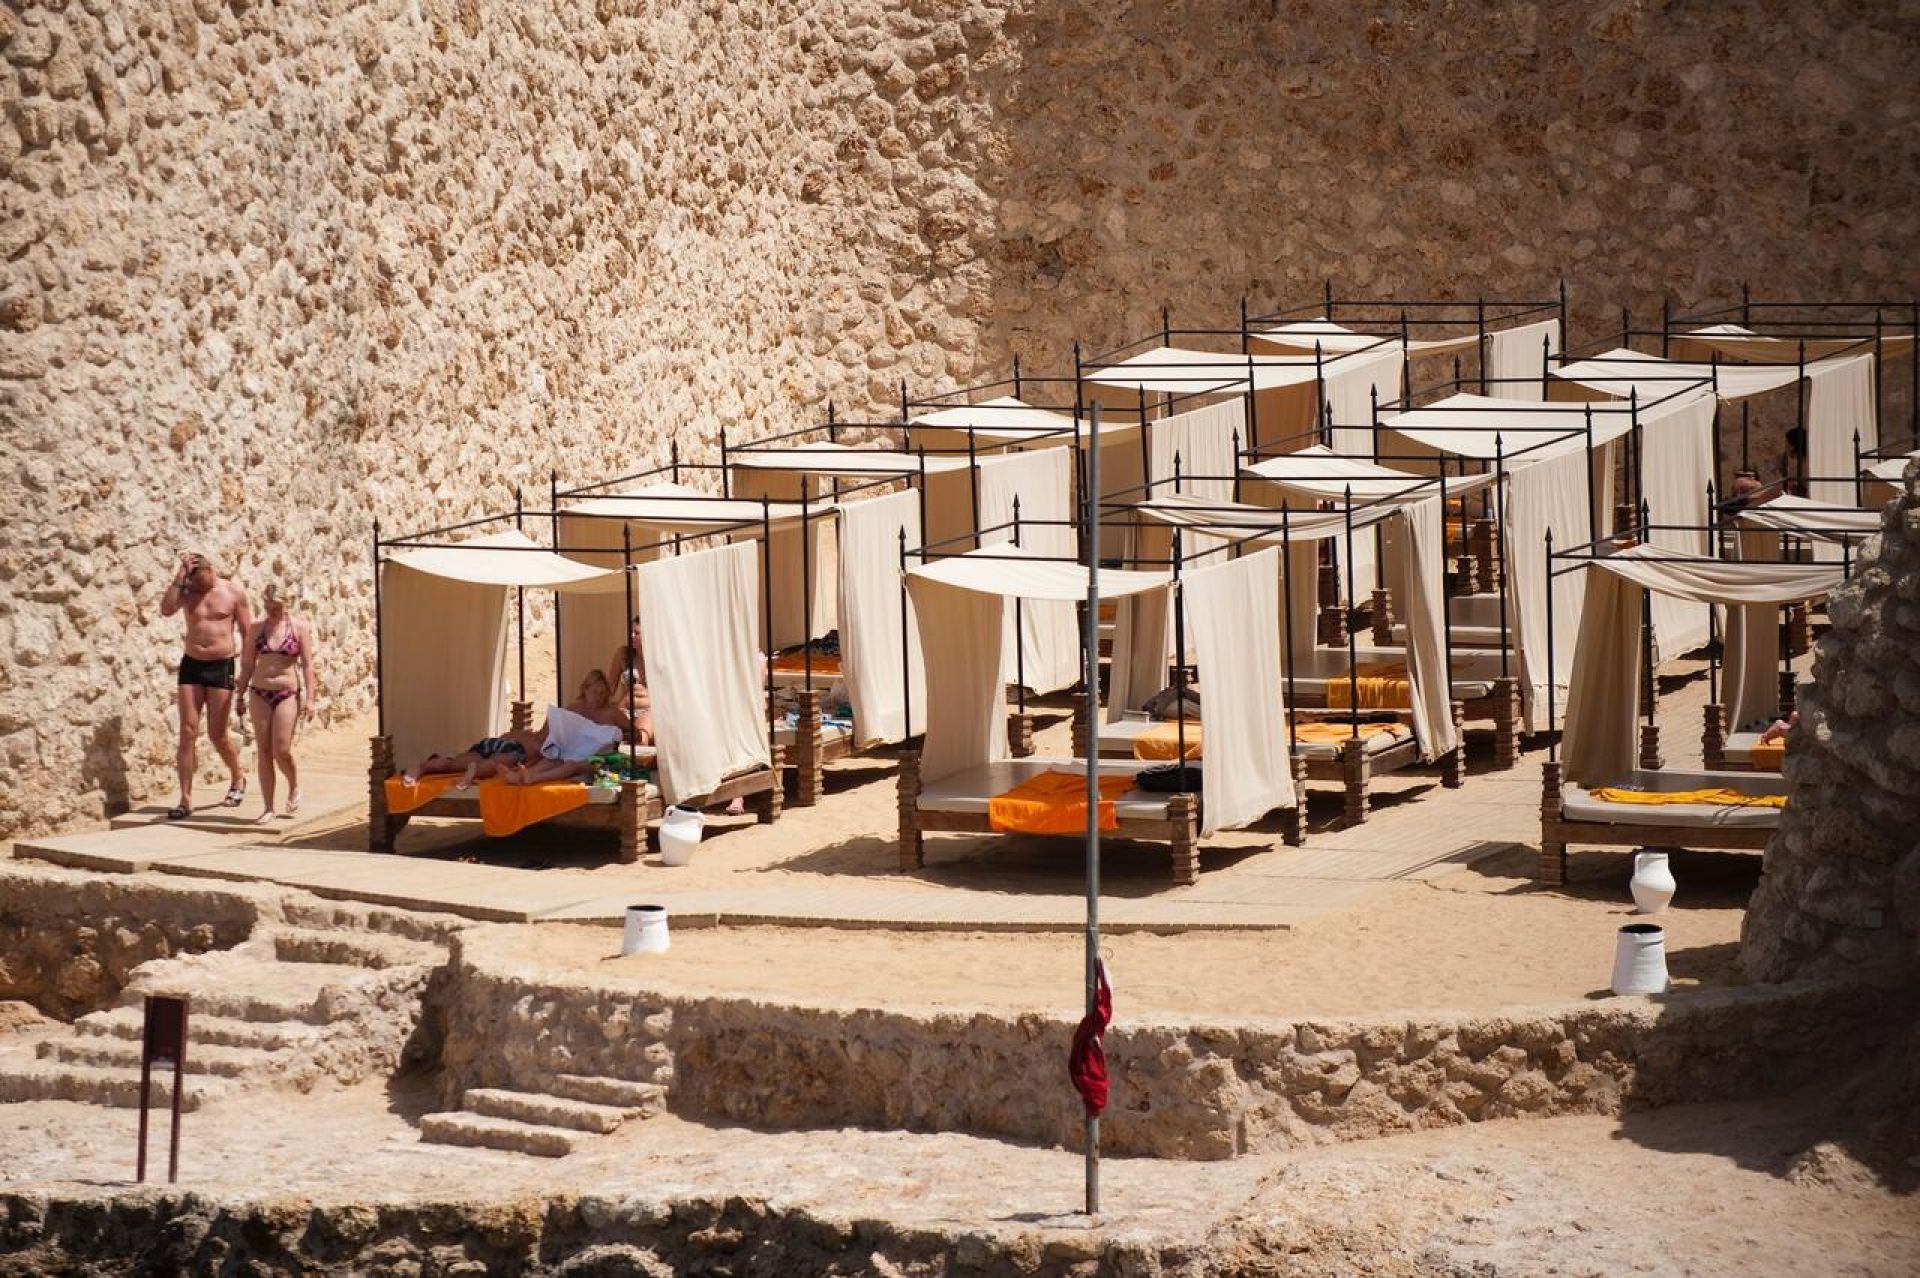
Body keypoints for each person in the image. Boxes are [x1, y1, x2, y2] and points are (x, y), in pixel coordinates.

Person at [159, 553, 251, 820]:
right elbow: (166, 609)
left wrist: (246, 673)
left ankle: (238, 776)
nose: (201, 586)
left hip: (221, 666)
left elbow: (248, 634)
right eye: (195, 581)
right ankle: (185, 799)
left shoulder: (233, 592)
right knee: (187, 731)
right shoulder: (187, 591)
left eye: (203, 580)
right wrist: (179, 577)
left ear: (211, 570)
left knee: (217, 735)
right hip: (192, 664)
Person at [235, 585, 315, 824]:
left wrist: (310, 699)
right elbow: (247, 664)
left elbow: (307, 665)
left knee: (281, 749)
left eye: (277, 606)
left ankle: (293, 784)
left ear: (285, 604)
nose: (272, 611)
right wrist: (239, 694)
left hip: (287, 692)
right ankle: (268, 807)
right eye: (268, 606)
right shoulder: (256, 628)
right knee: (263, 751)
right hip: (259, 692)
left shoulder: (298, 628)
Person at [608, 620, 653, 744]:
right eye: (630, 632)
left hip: (647, 711)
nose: (631, 636)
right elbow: (610, 689)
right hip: (624, 710)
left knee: (641, 737)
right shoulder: (623, 655)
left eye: (636, 633)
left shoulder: (657, 659)